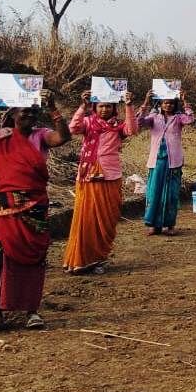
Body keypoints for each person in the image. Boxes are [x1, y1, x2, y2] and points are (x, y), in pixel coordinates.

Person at [0, 87, 69, 330]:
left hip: (33, 208)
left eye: (33, 111)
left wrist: (53, 108)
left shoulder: (41, 136)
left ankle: (32, 311)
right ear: (11, 115)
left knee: (32, 258)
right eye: (24, 112)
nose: (30, 115)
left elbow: (63, 138)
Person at [63, 90, 137, 274]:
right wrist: (83, 107)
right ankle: (81, 260)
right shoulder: (88, 122)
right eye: (101, 106)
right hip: (88, 175)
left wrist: (128, 105)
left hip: (110, 175)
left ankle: (97, 258)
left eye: (109, 106)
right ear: (95, 107)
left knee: (108, 219)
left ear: (114, 108)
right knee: (86, 218)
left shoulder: (118, 126)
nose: (104, 109)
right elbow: (72, 129)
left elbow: (132, 130)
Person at [134, 89, 194, 236]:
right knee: (154, 192)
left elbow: (190, 120)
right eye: (165, 103)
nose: (168, 105)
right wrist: (146, 102)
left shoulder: (179, 118)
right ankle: (153, 225)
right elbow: (139, 122)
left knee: (171, 194)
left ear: (175, 105)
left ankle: (170, 224)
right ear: (160, 104)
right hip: (157, 161)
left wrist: (185, 102)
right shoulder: (154, 117)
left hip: (173, 161)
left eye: (171, 103)